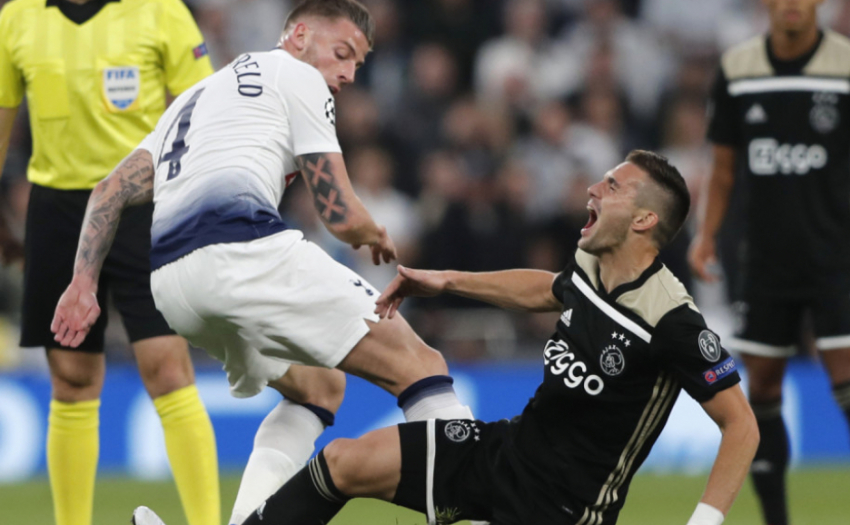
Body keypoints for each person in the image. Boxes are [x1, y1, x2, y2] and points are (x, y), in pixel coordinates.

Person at [49, 2, 475, 524]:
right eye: (342, 53)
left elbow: (109, 191)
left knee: (318, 386)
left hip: (173, 285)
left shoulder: (197, 96)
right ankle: (477, 507)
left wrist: (82, 283)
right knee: (420, 365)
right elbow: (339, 213)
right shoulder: (297, 75)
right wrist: (373, 231)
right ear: (299, 35)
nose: (347, 73)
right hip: (242, 252)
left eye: (358, 64)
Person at [230, 151, 759, 525]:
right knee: (344, 462)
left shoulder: (672, 320)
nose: (593, 190)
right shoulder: (592, 267)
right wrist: (447, 281)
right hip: (506, 453)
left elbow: (741, 425)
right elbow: (549, 289)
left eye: (613, 187)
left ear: (644, 219)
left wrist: (704, 520)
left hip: (563, 509)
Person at [688, 1, 850, 525]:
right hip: (762, 262)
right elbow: (723, 166)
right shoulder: (737, 70)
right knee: (762, 391)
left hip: (835, 258)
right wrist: (705, 235)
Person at [0, 1, 220, 524]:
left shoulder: (160, 10)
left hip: (143, 203)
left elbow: (206, 107)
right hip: (57, 210)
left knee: (168, 367)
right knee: (71, 378)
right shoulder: (18, 17)